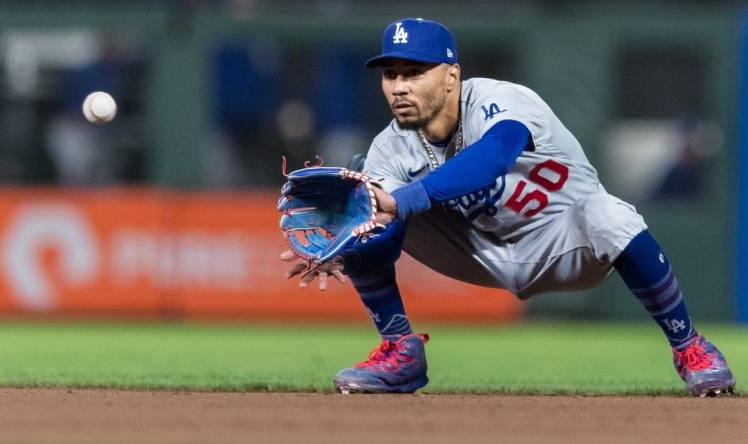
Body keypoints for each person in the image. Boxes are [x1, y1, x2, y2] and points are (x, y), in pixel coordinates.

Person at [280, 18, 735, 396]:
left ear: (451, 75)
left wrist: (404, 199)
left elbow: (492, 157)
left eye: (414, 72)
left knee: (611, 215)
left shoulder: (499, 100)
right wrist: (347, 245)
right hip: (479, 250)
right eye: (391, 74)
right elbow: (381, 212)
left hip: (564, 239)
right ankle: (401, 351)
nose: (399, 86)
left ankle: (689, 346)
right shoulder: (390, 147)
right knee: (367, 215)